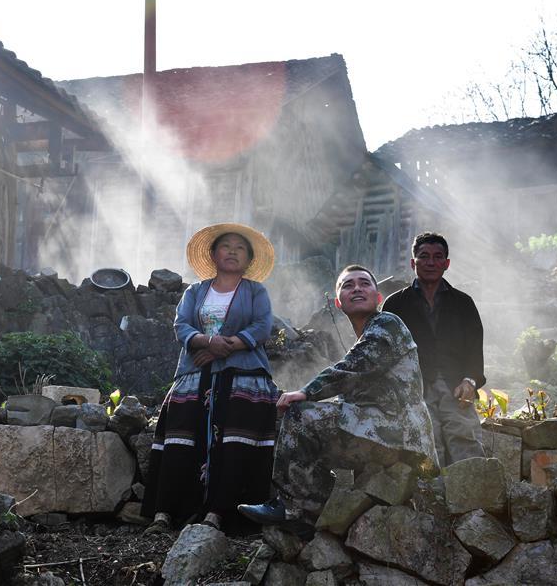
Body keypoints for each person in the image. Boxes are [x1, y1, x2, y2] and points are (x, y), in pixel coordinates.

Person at [236, 265, 438, 528]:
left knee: (301, 415)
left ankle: (297, 508)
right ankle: (318, 513)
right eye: (348, 285)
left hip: (400, 432)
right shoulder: (364, 337)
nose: (356, 288)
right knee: (303, 428)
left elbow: (353, 368)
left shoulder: (387, 323)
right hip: (381, 431)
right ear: (338, 302)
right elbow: (353, 397)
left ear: (378, 298)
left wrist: (306, 392)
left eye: (364, 283)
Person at [142, 223, 278, 534]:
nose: (232, 251)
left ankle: (220, 512)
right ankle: (166, 513)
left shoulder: (256, 291)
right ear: (214, 255)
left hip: (242, 375)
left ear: (248, 259)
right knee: (181, 439)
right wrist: (206, 342)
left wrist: (221, 348)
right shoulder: (195, 291)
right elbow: (182, 326)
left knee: (234, 443)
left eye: (240, 247)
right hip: (195, 374)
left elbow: (261, 326)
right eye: (226, 246)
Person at [382, 232, 486, 466]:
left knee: (466, 443)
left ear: (446, 264)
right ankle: (433, 501)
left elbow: (474, 349)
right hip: (415, 389)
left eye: (438, 256)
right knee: (427, 449)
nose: (431, 262)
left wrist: (470, 381)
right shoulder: (395, 304)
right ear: (413, 263)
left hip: (456, 388)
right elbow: (386, 351)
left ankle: (472, 502)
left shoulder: (463, 303)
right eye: (424, 256)